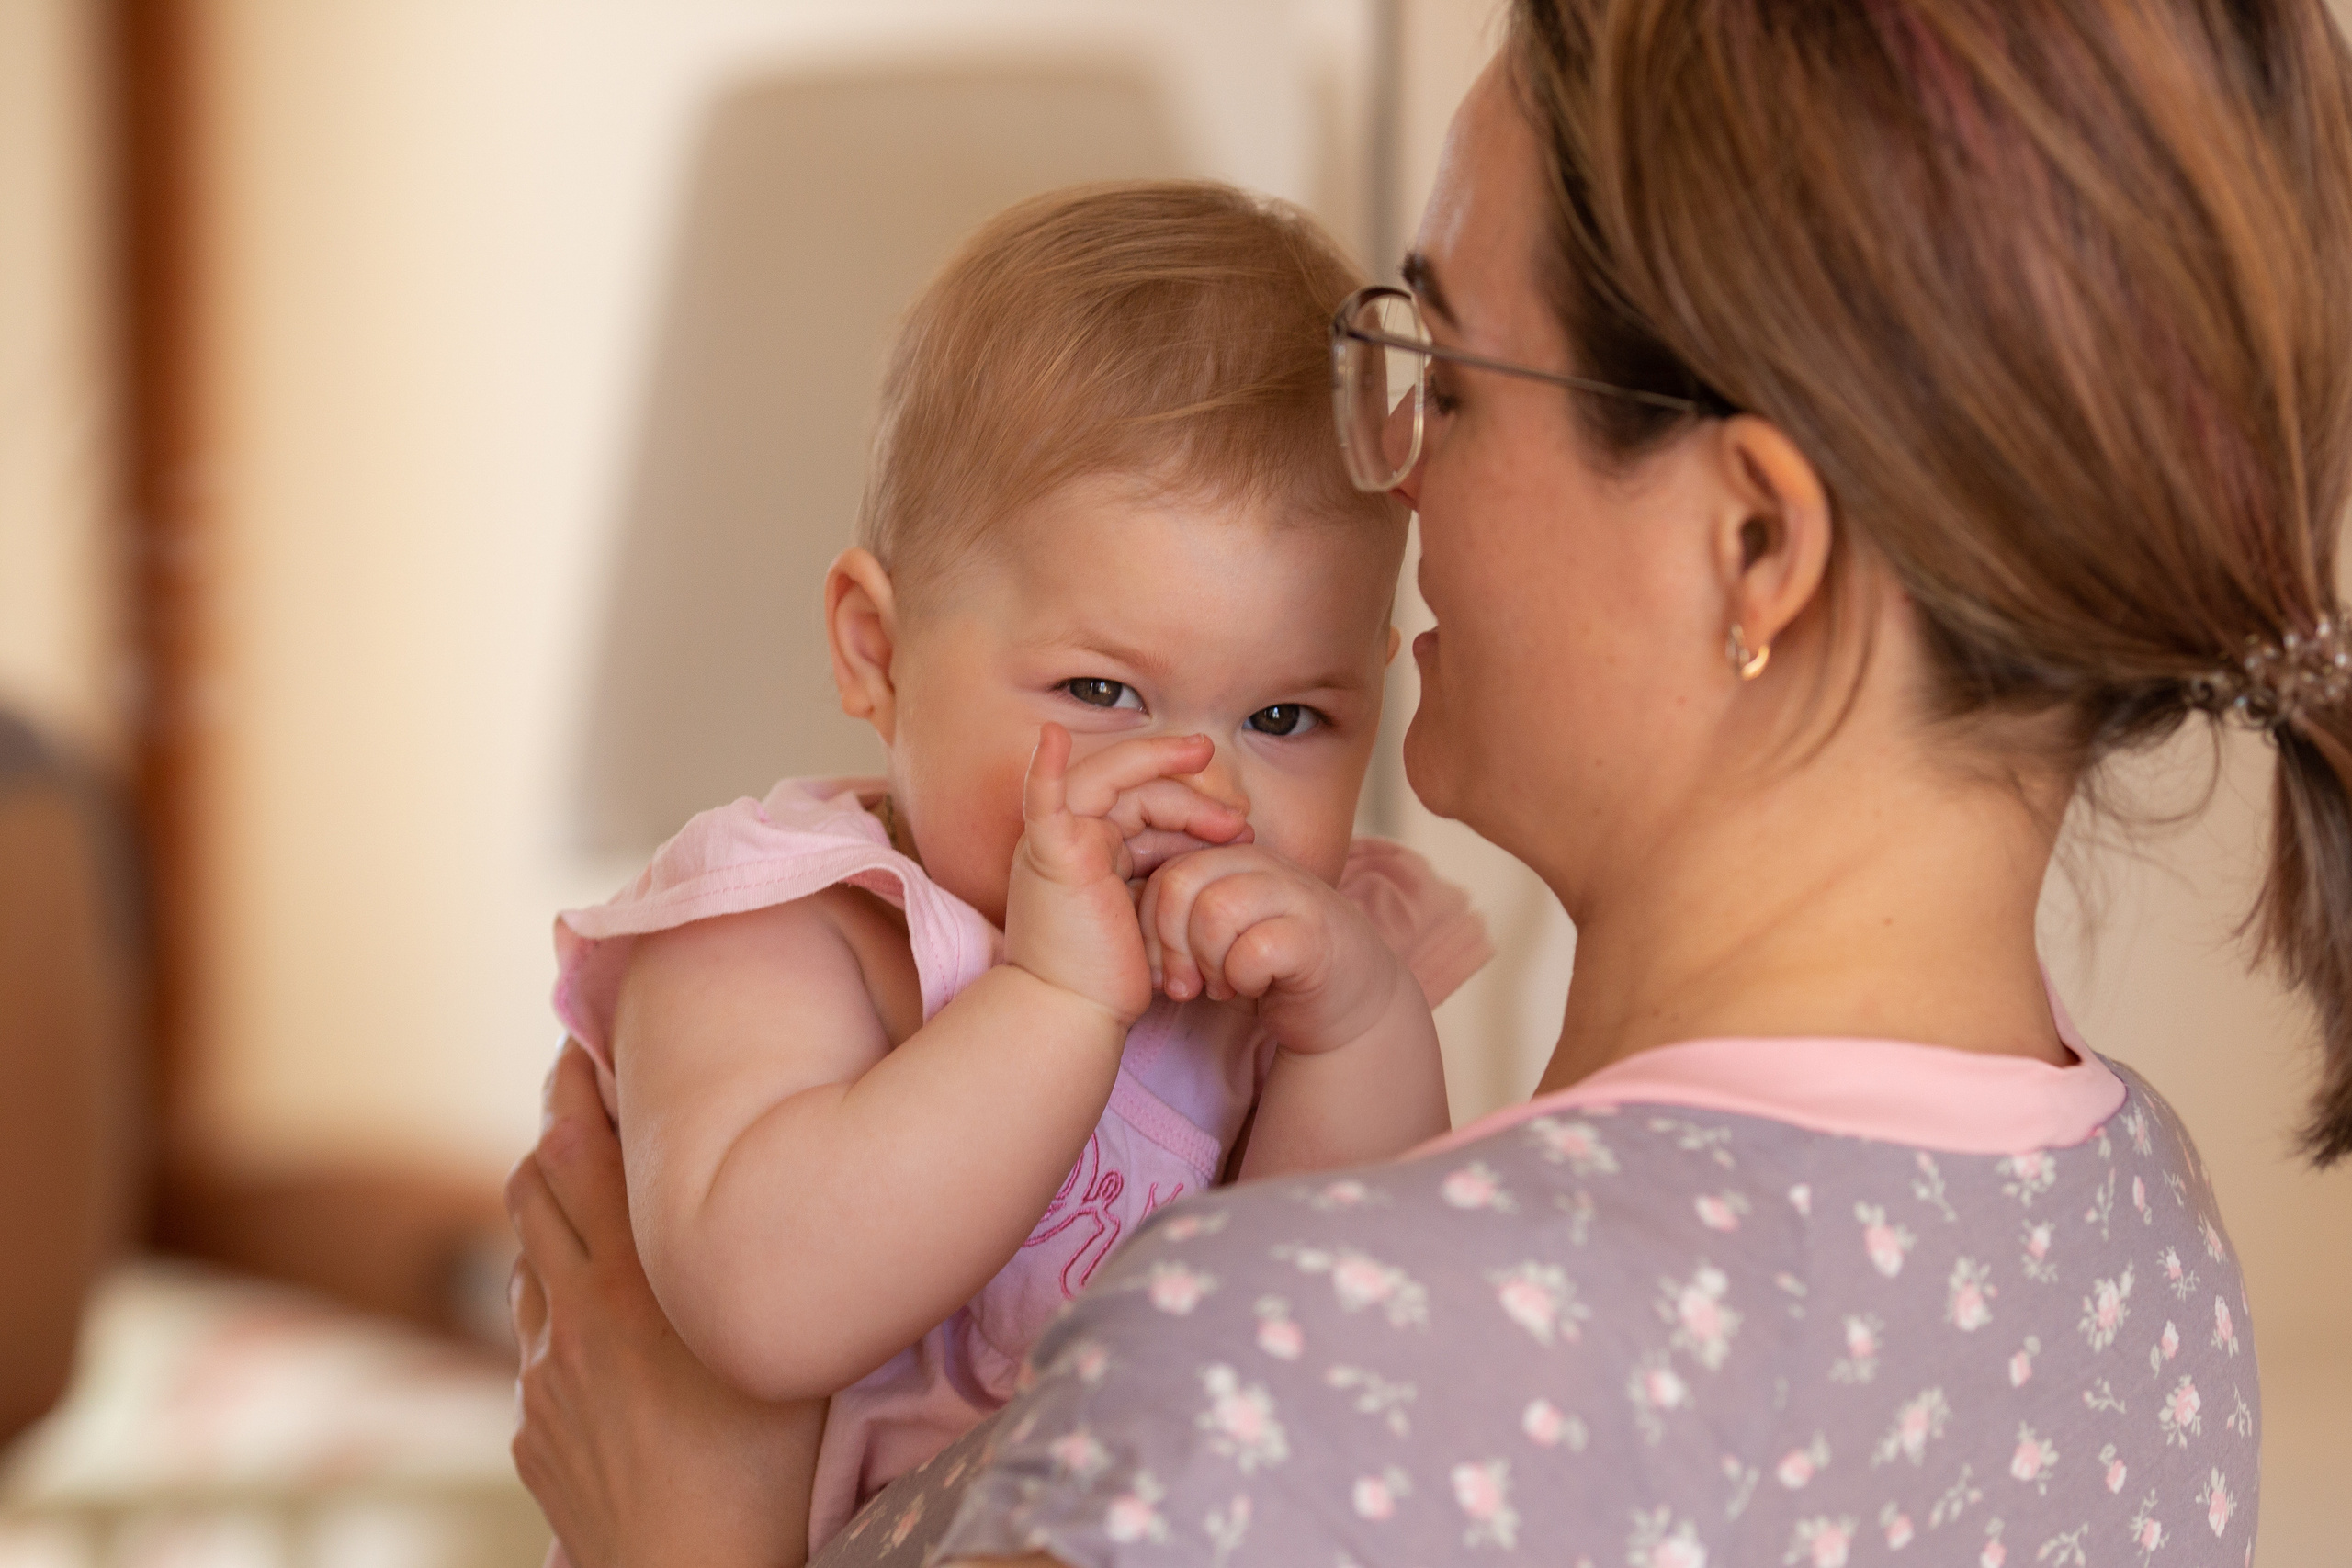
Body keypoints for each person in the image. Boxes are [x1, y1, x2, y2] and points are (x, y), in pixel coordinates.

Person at [505, 1, 2352, 1563]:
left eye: (1443, 376)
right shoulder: (2144, 1250)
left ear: (1751, 547)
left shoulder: (1296, 1367)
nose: (1382, 474)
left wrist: (681, 1539)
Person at [538, 182, 1491, 1564]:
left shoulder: (1308, 965)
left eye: (1286, 717)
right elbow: (763, 1311)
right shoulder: (790, 926)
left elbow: (1322, 1353)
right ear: (877, 651)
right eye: (1103, 692)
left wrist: (1355, 1029)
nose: (1200, 795)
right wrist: (1055, 998)